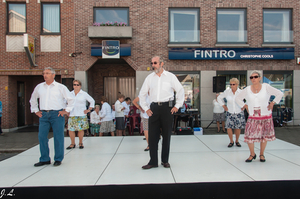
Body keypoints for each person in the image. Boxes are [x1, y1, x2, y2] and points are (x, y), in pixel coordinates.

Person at [139, 56, 184, 169]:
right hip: (153, 108)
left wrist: (177, 106)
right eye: (152, 63)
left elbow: (180, 90)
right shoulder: (149, 78)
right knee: (153, 136)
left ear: (161, 63)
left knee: (166, 135)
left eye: (155, 63)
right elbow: (142, 94)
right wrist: (146, 108)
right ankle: (153, 161)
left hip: (166, 108)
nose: (153, 65)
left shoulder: (170, 77)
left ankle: (165, 161)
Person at [30, 67, 75, 167]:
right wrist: (36, 111)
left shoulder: (60, 87)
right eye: (44, 73)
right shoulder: (39, 87)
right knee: (42, 137)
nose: (45, 75)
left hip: (57, 114)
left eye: (47, 73)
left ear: (53, 75)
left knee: (58, 137)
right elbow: (33, 99)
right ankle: (44, 159)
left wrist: (66, 111)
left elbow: (71, 99)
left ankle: (58, 158)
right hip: (44, 115)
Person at [235, 71, 283, 162]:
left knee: (264, 136)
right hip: (253, 116)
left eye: (255, 77)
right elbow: (237, 98)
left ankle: (262, 154)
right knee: (249, 136)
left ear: (260, 78)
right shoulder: (247, 89)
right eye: (251, 77)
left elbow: (279, 93)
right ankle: (252, 154)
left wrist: (273, 102)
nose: (253, 79)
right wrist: (245, 106)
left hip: (265, 115)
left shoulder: (266, 87)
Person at [67, 80, 95, 149]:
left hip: (81, 114)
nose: (76, 86)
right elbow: (64, 102)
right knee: (71, 129)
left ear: (80, 86)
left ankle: (80, 143)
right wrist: (66, 110)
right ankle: (72, 143)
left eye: (77, 85)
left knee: (80, 129)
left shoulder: (84, 94)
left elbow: (92, 101)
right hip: (72, 114)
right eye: (74, 85)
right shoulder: (70, 94)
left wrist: (89, 110)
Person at [217, 78, 245, 148]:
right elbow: (219, 98)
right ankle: (231, 141)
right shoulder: (227, 92)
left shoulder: (241, 92)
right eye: (231, 84)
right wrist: (223, 105)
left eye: (233, 84)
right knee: (229, 127)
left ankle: (237, 141)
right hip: (230, 111)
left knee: (238, 128)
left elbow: (249, 99)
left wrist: (244, 105)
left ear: (237, 85)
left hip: (239, 111)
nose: (232, 86)